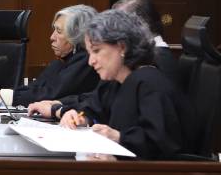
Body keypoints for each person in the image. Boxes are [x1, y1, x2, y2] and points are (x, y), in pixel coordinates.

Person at [38, 10, 196, 160]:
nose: (91, 61)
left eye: (96, 51)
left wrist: (118, 137)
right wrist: (77, 116)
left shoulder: (150, 82)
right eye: (90, 53)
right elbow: (94, 108)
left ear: (122, 47)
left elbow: (160, 141)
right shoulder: (116, 81)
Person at [13, 4, 100, 106]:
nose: (52, 37)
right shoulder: (59, 64)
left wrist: (8, 97)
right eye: (54, 30)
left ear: (77, 36)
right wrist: (5, 95)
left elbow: (49, 95)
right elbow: (33, 88)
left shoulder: (86, 62)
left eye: (59, 31)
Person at [112, 0, 176, 77]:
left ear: (141, 24)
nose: (113, 31)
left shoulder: (158, 58)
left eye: (119, 24)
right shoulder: (146, 53)